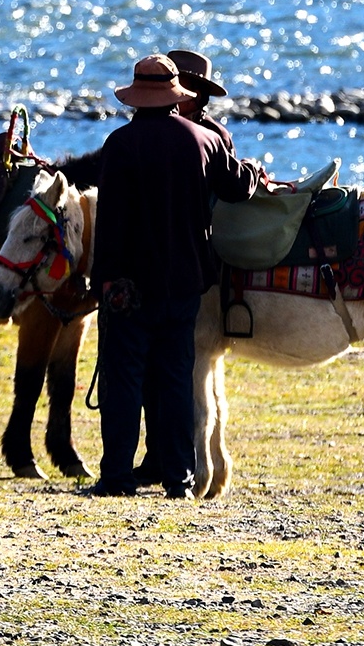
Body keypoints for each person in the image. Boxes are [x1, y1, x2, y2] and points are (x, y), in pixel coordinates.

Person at [87, 53, 259, 500]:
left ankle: (117, 476)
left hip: (127, 287)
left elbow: (109, 224)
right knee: (176, 379)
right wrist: (258, 176)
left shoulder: (119, 145)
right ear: (176, 96)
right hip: (184, 283)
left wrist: (102, 281)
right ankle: (179, 477)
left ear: (136, 98)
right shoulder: (202, 140)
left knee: (123, 380)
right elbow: (237, 187)